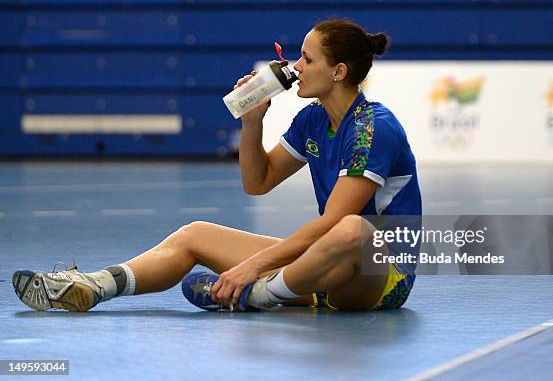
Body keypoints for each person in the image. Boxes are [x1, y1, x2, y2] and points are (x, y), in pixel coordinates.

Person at [12, 19, 421, 312]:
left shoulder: (372, 128)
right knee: (196, 234)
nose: (296, 67)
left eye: (306, 59)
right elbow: (257, 182)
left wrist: (250, 268)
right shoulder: (313, 119)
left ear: (338, 71)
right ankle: (94, 286)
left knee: (350, 228)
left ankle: (257, 293)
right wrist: (252, 122)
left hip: (381, 276)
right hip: (324, 266)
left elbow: (336, 223)